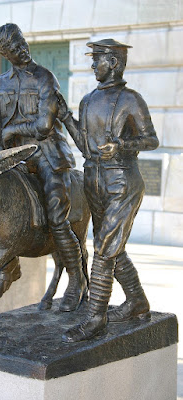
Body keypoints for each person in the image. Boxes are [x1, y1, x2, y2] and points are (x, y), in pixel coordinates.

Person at [57, 38, 159, 342]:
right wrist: (65, 118)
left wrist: (123, 146)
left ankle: (95, 317)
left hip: (122, 182)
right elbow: (85, 147)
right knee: (113, 247)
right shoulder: (88, 100)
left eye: (97, 59)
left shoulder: (131, 100)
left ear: (113, 62)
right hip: (94, 180)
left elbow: (151, 140)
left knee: (104, 249)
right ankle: (137, 301)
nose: (92, 65)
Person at [0, 23, 87, 312]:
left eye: (21, 43)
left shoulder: (45, 78)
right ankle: (8, 265)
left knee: (57, 216)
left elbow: (43, 126)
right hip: (13, 157)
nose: (21, 50)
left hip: (48, 154)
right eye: (13, 49)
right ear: (4, 54)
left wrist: (12, 128)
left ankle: (77, 278)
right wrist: (0, 157)